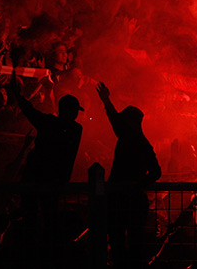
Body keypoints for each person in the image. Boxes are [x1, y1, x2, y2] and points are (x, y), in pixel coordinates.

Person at [9, 70, 83, 266]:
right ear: (71, 111)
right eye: (75, 110)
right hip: (52, 179)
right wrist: (64, 179)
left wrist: (18, 95)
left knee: (31, 215)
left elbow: (30, 111)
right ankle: (47, 256)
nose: (77, 115)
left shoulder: (49, 122)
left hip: (34, 174)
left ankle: (28, 255)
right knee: (49, 217)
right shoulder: (76, 129)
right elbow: (69, 157)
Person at [96, 82, 161, 269]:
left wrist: (135, 185)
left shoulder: (134, 140)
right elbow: (156, 172)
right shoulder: (137, 140)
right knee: (131, 241)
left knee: (121, 240)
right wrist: (138, 185)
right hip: (131, 199)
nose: (121, 122)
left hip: (122, 198)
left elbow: (156, 172)